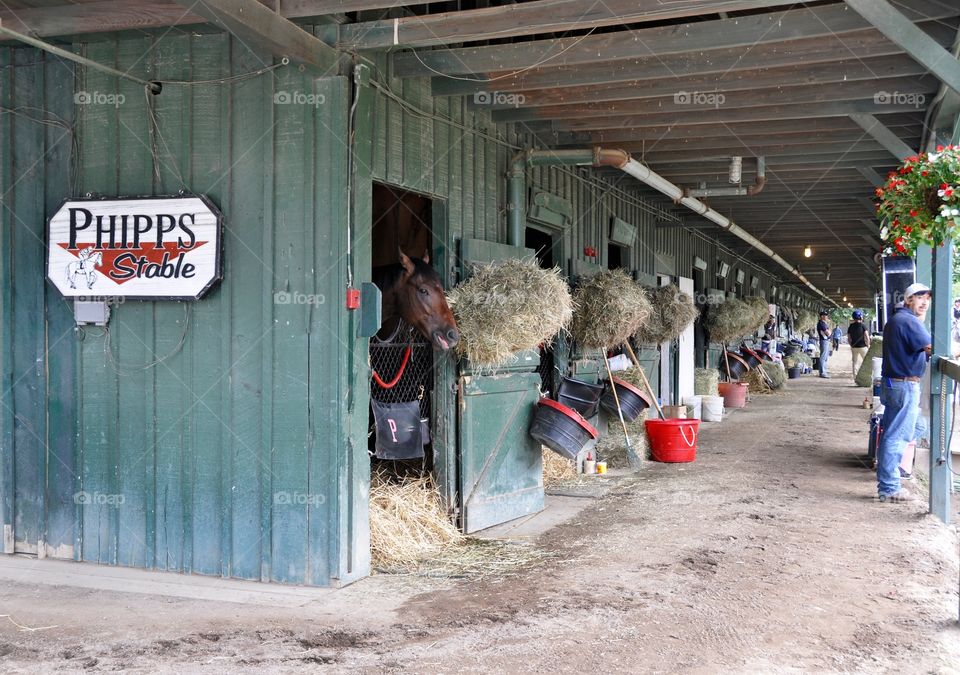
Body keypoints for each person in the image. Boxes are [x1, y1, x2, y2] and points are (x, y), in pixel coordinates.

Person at [876, 282, 932, 503]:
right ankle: (889, 487)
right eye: (919, 298)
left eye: (927, 298)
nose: (924, 302)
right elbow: (933, 349)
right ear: (908, 299)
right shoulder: (908, 321)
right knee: (896, 436)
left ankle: (890, 474)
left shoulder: (897, 319)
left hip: (894, 383)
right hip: (904, 385)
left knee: (916, 427)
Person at [847, 309, 871, 377]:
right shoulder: (863, 326)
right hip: (863, 347)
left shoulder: (850, 326)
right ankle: (867, 376)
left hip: (854, 347)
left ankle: (855, 377)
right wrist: (868, 345)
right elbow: (867, 336)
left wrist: (851, 345)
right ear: (860, 317)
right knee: (866, 361)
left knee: (855, 362)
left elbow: (849, 338)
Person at [816, 310, 831, 378]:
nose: (827, 317)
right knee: (823, 356)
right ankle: (822, 372)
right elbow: (828, 333)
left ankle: (824, 371)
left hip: (826, 340)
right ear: (822, 316)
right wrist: (829, 332)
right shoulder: (821, 324)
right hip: (824, 340)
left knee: (825, 357)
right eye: (825, 315)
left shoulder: (824, 323)